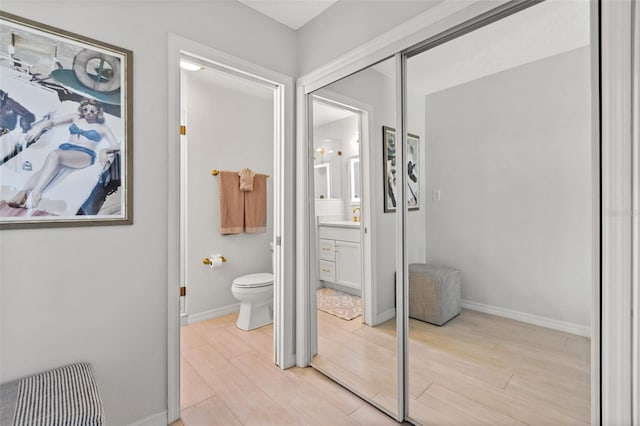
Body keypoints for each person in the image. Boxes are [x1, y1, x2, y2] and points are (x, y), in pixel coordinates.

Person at [7, 98, 119, 209]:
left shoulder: (102, 128)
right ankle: (22, 193)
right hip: (67, 149)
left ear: (98, 112)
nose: (88, 113)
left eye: (92, 111)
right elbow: (52, 122)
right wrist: (39, 127)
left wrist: (104, 151)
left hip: (84, 154)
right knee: (44, 169)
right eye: (85, 110)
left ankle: (36, 192)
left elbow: (116, 145)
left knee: (55, 154)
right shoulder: (75, 117)